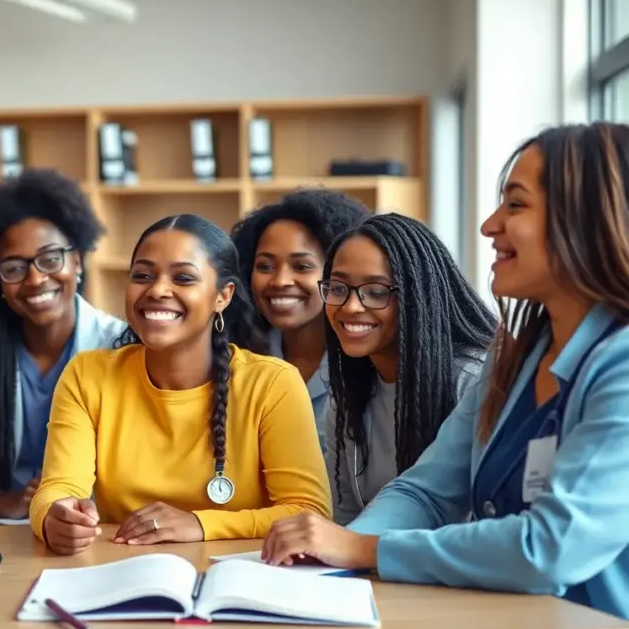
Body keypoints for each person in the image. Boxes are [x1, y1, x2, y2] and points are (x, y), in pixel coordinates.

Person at [261, 123, 629, 629]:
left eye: (516, 205)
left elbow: (549, 548)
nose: (490, 225)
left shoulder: (620, 366)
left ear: (587, 219)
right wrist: (330, 551)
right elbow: (426, 490)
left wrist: (365, 552)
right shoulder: (518, 357)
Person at [29, 214, 331, 555]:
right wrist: (53, 519)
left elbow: (308, 510)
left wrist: (200, 524)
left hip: (241, 575)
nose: (157, 290)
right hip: (123, 570)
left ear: (223, 296)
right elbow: (58, 487)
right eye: (142, 276)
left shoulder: (273, 383)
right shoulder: (87, 375)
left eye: (184, 278)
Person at [0, 169, 125, 525]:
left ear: (77, 261)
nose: (35, 279)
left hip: (91, 530)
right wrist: (6, 502)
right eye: (14, 268)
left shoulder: (119, 345)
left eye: (50, 259)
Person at [315, 213, 496, 524]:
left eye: (376, 291)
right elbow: (344, 517)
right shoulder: (347, 396)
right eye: (338, 288)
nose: (351, 306)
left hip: (449, 570)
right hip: (376, 567)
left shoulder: (473, 381)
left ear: (417, 297)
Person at [230, 188, 368, 441]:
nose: (281, 281)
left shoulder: (368, 362)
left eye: (302, 266)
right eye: (265, 266)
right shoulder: (237, 358)